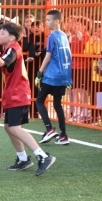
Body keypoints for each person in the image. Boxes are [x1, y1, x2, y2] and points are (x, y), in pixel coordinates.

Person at [0, 22, 55, 176]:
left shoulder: (13, 48)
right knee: (8, 126)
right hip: (13, 93)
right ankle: (23, 158)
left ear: (12, 37)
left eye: (2, 33)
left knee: (14, 128)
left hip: (19, 93)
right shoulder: (8, 49)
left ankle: (43, 156)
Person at [35, 9, 73, 145]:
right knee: (57, 104)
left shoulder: (52, 36)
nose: (47, 23)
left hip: (52, 75)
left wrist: (39, 73)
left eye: (49, 20)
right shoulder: (64, 35)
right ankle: (63, 135)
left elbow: (48, 56)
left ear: (57, 21)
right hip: (63, 75)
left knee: (39, 101)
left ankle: (49, 129)